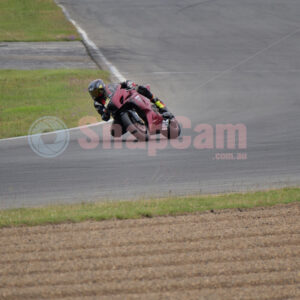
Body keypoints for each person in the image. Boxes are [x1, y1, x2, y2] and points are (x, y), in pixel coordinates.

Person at [88, 79, 172, 136]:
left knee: (141, 88)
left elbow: (121, 85)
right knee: (114, 132)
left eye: (96, 92)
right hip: (117, 114)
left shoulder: (110, 87)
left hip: (126, 101)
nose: (95, 95)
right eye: (93, 93)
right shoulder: (97, 104)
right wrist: (105, 113)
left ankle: (159, 104)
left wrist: (129, 83)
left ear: (102, 89)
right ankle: (133, 125)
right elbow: (104, 117)